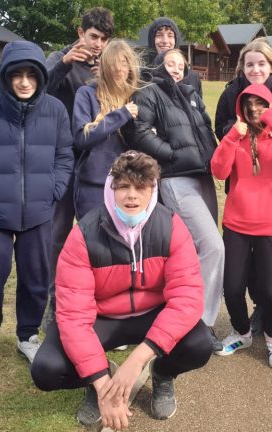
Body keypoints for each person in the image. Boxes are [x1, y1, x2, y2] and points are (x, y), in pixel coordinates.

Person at [30, 151, 212, 430]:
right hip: (101, 319)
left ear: (153, 190)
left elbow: (187, 298)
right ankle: (95, 381)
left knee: (200, 344)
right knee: (46, 370)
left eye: (141, 187)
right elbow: (74, 317)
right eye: (124, 186)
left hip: (151, 314)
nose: (132, 196)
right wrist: (103, 384)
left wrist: (139, 359)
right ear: (110, 188)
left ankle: (163, 374)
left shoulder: (171, 226)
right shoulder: (84, 234)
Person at [0, 40, 74, 365]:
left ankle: (28, 335)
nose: (24, 81)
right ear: (5, 77)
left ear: (40, 77)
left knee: (36, 277)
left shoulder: (55, 110)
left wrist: (53, 189)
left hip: (39, 212)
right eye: (16, 74)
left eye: (31, 75)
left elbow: (65, 156)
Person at [123, 49, 224, 351]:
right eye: (171, 63)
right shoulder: (151, 93)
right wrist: (172, 156)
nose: (176, 69)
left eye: (181, 65)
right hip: (177, 179)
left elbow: (206, 131)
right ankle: (200, 324)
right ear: (159, 65)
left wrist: (215, 159)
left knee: (195, 250)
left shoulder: (192, 95)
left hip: (202, 176)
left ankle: (184, 315)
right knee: (213, 247)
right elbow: (139, 132)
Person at [211, 84, 272, 369]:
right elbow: (218, 170)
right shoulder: (236, 136)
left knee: (270, 290)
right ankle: (241, 333)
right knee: (231, 287)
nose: (254, 109)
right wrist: (231, 136)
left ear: (270, 105)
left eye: (260, 103)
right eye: (248, 104)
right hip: (237, 223)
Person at [214, 38, 272, 332]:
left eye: (261, 63)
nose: (255, 69)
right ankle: (246, 325)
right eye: (250, 64)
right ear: (243, 67)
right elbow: (220, 134)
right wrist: (233, 133)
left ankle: (271, 316)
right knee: (237, 273)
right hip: (242, 188)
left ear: (271, 64)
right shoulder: (232, 94)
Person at [44, 7, 114, 322]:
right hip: (62, 161)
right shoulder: (60, 58)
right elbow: (36, 88)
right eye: (93, 36)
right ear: (80, 33)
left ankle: (94, 301)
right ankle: (50, 301)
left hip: (95, 165)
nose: (98, 43)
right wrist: (63, 63)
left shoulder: (105, 66)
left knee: (96, 235)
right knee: (56, 234)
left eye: (104, 38)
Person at [72, 39, 139, 220]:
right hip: (93, 186)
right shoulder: (86, 94)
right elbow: (81, 138)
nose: (118, 69)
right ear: (104, 66)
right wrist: (120, 115)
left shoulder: (136, 97)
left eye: (124, 63)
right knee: (93, 243)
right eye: (113, 63)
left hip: (128, 186)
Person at [141, 16, 202, 96]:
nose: (165, 41)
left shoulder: (192, 78)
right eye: (159, 35)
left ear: (176, 40)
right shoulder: (143, 76)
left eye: (170, 36)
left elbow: (198, 107)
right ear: (152, 40)